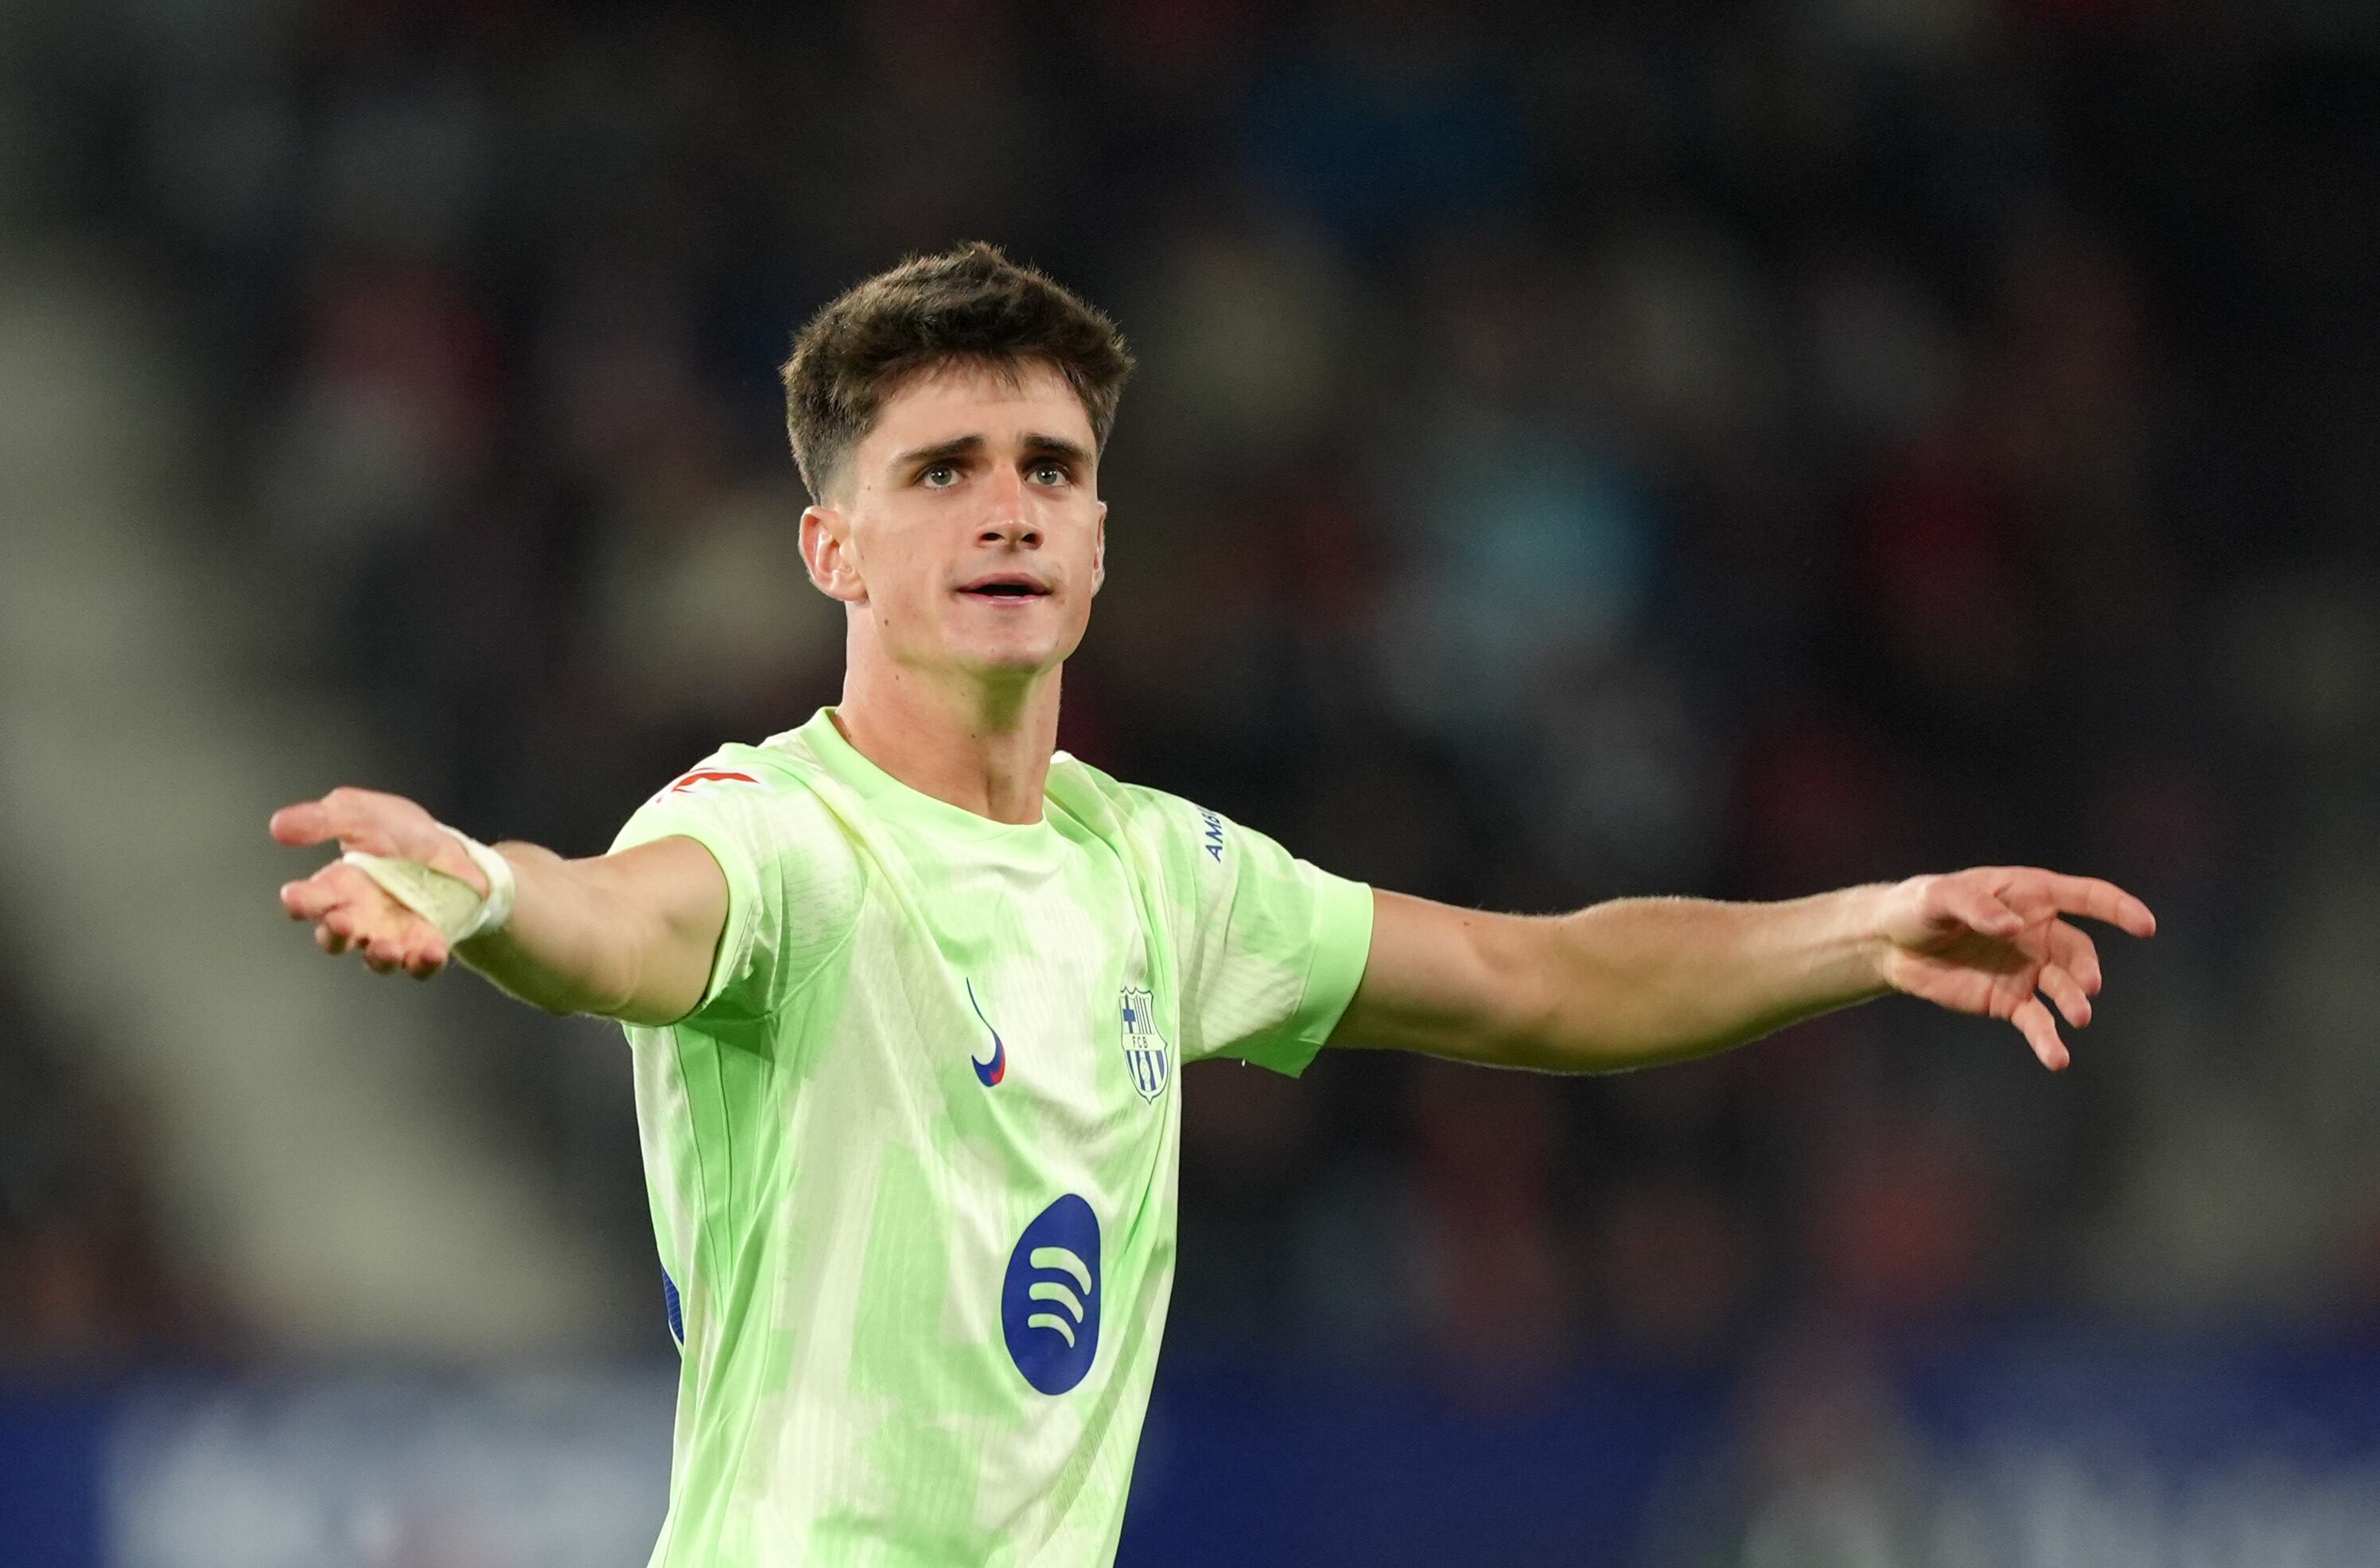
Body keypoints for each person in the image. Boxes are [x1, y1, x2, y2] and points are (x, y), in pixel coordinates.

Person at [270, 242, 2156, 1568]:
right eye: (942, 470)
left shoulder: (1159, 874)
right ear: (831, 546)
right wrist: (490, 892)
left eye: (1050, 469)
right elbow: (624, 918)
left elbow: (1534, 977)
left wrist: (1864, 928)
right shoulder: (779, 833)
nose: (1007, 507)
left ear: (1099, 540)